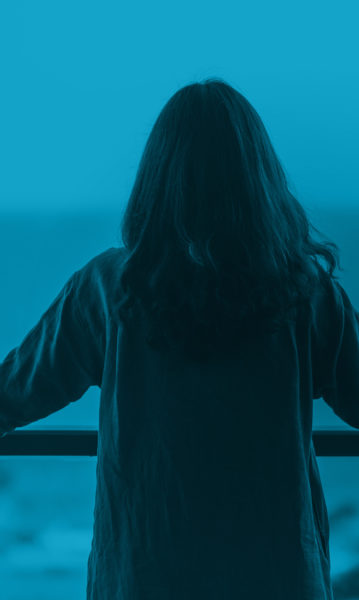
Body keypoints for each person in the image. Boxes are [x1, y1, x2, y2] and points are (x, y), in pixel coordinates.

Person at [0, 77, 358, 599]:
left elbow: (14, 392)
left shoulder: (107, 290)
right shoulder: (304, 294)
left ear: (156, 180)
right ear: (258, 179)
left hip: (144, 579)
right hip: (277, 579)